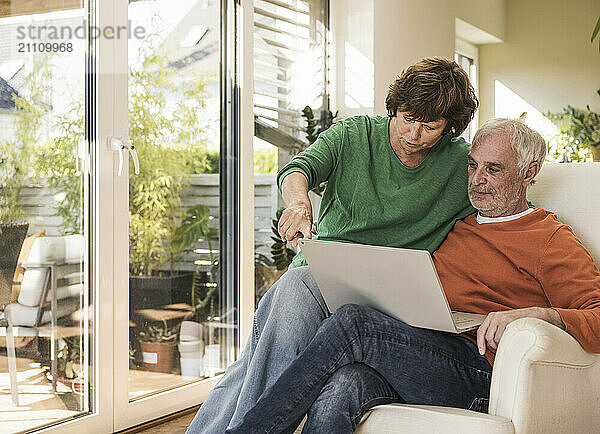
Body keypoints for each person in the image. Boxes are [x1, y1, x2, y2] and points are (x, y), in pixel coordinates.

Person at [226, 119, 600, 434]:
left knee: (354, 324)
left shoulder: (549, 239)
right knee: (344, 384)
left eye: (494, 169)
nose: (477, 180)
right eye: (472, 166)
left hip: (480, 373)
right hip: (423, 355)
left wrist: (538, 315)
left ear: (529, 173)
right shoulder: (457, 224)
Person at [186, 57, 478, 433]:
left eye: (430, 126)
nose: (413, 134)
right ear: (396, 106)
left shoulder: (460, 164)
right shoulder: (355, 135)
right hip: (319, 280)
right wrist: (298, 202)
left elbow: (506, 209)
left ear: (450, 128)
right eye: (407, 117)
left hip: (388, 304)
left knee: (253, 365)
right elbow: (299, 169)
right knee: (289, 297)